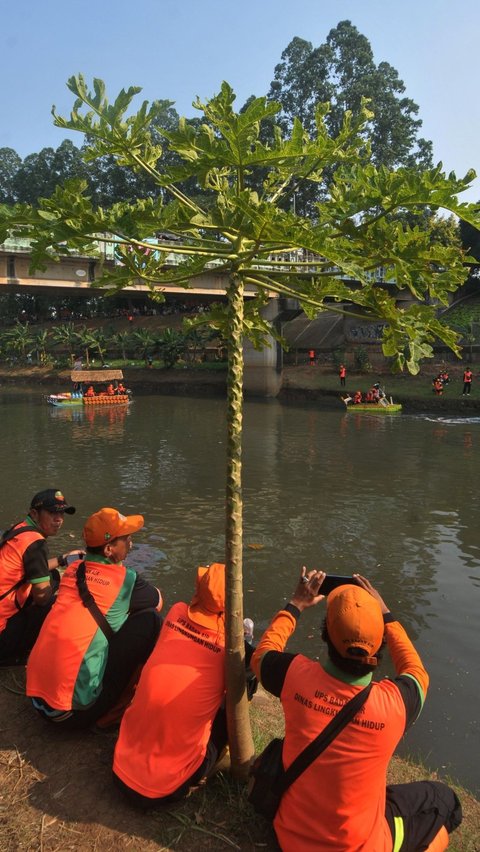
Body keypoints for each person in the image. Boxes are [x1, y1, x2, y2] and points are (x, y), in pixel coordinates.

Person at [251, 570, 462, 852]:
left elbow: (263, 653)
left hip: (290, 837)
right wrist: (384, 614)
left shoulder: (294, 676)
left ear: (326, 635)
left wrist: (296, 605)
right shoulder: (395, 704)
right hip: (360, 845)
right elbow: (415, 671)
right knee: (445, 801)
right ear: (380, 643)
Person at [112, 562, 254, 807]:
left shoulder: (176, 612)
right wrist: (244, 643)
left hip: (121, 767)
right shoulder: (229, 645)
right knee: (239, 689)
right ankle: (214, 761)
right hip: (165, 788)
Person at [26, 507, 163, 729]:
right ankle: (115, 713)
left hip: (37, 701)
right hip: (70, 714)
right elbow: (157, 600)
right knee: (151, 619)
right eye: (126, 538)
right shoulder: (126, 579)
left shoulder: (74, 569)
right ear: (109, 549)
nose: (131, 542)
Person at [0, 489, 78, 665]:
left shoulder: (20, 530)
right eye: (52, 513)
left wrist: (61, 560)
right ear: (35, 513)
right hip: (2, 637)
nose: (59, 519)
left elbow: (32, 567)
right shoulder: (36, 544)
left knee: (51, 577)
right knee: (53, 599)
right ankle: (19, 655)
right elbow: (42, 598)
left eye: (61, 513)